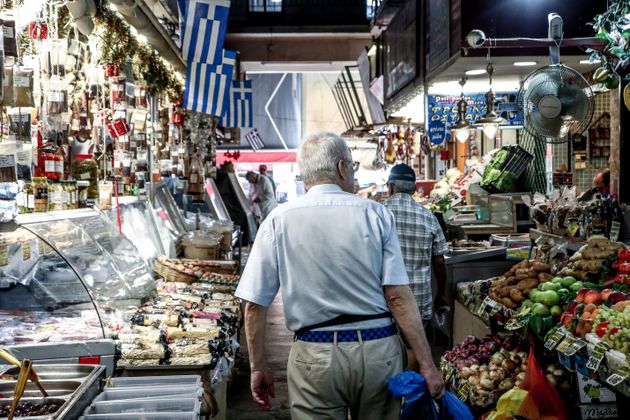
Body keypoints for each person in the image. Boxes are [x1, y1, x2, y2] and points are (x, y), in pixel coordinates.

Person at [235, 132, 444, 420]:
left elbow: (255, 304)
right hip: (377, 351)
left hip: (315, 355)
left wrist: (258, 366)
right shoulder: (376, 214)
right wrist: (427, 364)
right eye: (353, 167)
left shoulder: (278, 220)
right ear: (342, 168)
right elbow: (396, 296)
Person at [383, 164, 449, 326]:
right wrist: (441, 293)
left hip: (384, 302)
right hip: (418, 301)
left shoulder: (378, 213)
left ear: (391, 186)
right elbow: (440, 261)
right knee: (416, 348)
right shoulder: (428, 216)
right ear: (413, 189)